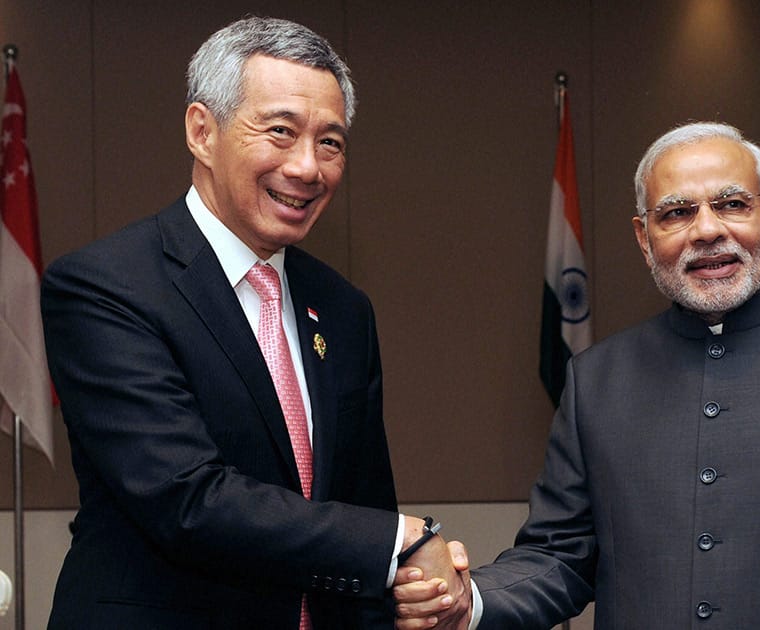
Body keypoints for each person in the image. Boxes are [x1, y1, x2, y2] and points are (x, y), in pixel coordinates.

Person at [393, 121, 760, 628]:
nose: (706, 230)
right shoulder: (597, 380)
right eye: (676, 212)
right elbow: (559, 555)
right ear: (645, 238)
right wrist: (468, 600)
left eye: (731, 204)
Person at [41, 16, 467, 629]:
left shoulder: (343, 309)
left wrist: (407, 582)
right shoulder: (106, 286)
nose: (307, 167)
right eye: (280, 131)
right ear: (201, 132)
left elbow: (360, 503)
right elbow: (188, 499)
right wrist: (395, 540)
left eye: (330, 142)